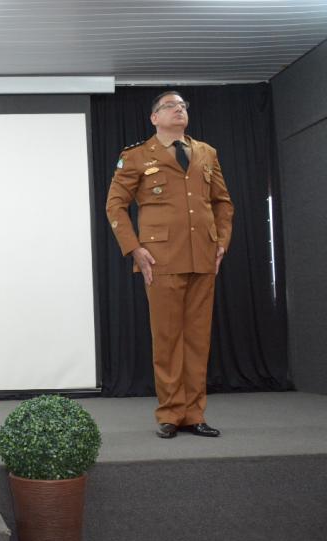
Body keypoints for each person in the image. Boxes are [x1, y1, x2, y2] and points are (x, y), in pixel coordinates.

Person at [106, 91, 233, 439]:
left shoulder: (206, 152)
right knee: (167, 339)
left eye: (183, 106)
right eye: (170, 106)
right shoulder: (135, 156)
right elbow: (115, 206)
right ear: (154, 118)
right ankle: (171, 413)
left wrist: (222, 242)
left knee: (198, 340)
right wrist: (134, 249)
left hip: (203, 257)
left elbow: (222, 203)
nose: (179, 110)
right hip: (160, 260)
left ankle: (195, 414)